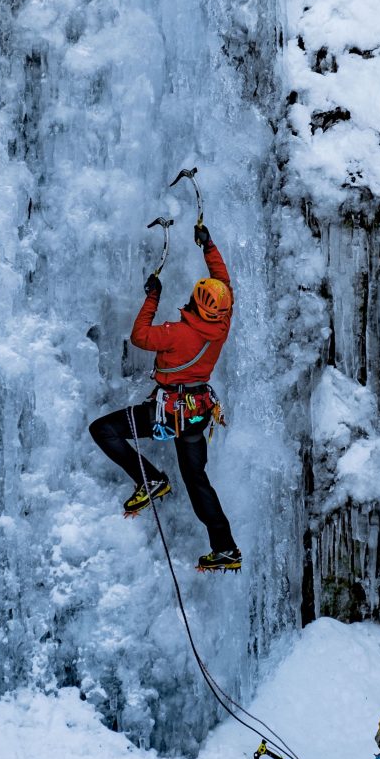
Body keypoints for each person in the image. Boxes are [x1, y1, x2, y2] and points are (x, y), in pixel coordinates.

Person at [87, 220, 241, 571]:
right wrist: (208, 245)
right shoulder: (222, 323)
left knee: (103, 430)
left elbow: (140, 336)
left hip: (168, 410)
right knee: (197, 481)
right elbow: (225, 283)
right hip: (196, 413)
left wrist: (152, 295)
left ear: (194, 302)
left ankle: (150, 478)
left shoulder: (176, 333)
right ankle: (226, 547)